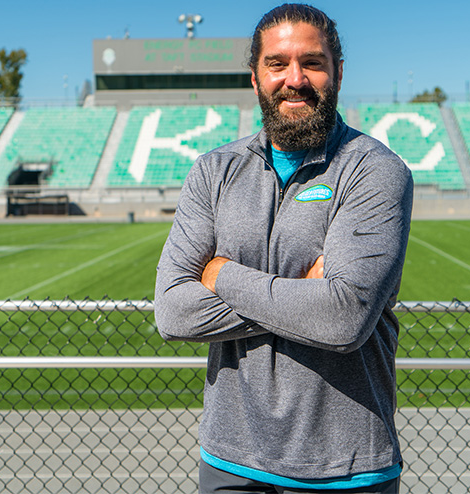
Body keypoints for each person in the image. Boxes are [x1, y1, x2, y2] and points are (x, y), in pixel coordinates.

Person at [154, 4, 413, 493]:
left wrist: (220, 275)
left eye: (312, 62)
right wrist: (302, 293)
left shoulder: (375, 170)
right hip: (230, 461)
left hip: (345, 468)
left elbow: (343, 318)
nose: (295, 78)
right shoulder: (214, 171)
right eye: (277, 63)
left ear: (338, 72)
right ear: (255, 77)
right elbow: (172, 312)